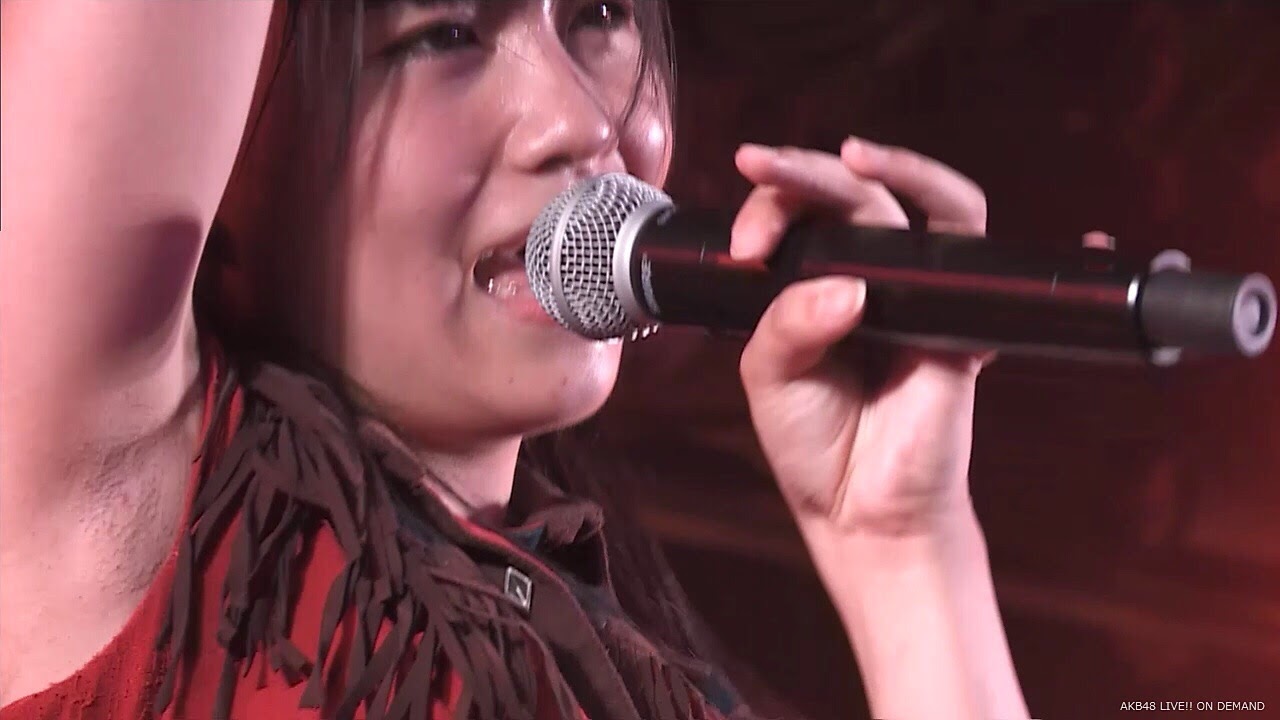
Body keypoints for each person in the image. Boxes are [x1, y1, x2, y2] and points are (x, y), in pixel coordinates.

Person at [0, 1, 1029, 718]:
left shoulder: (651, 681)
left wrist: (905, 547)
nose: (583, 124)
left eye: (598, 15)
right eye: (440, 35)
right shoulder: (128, 488)